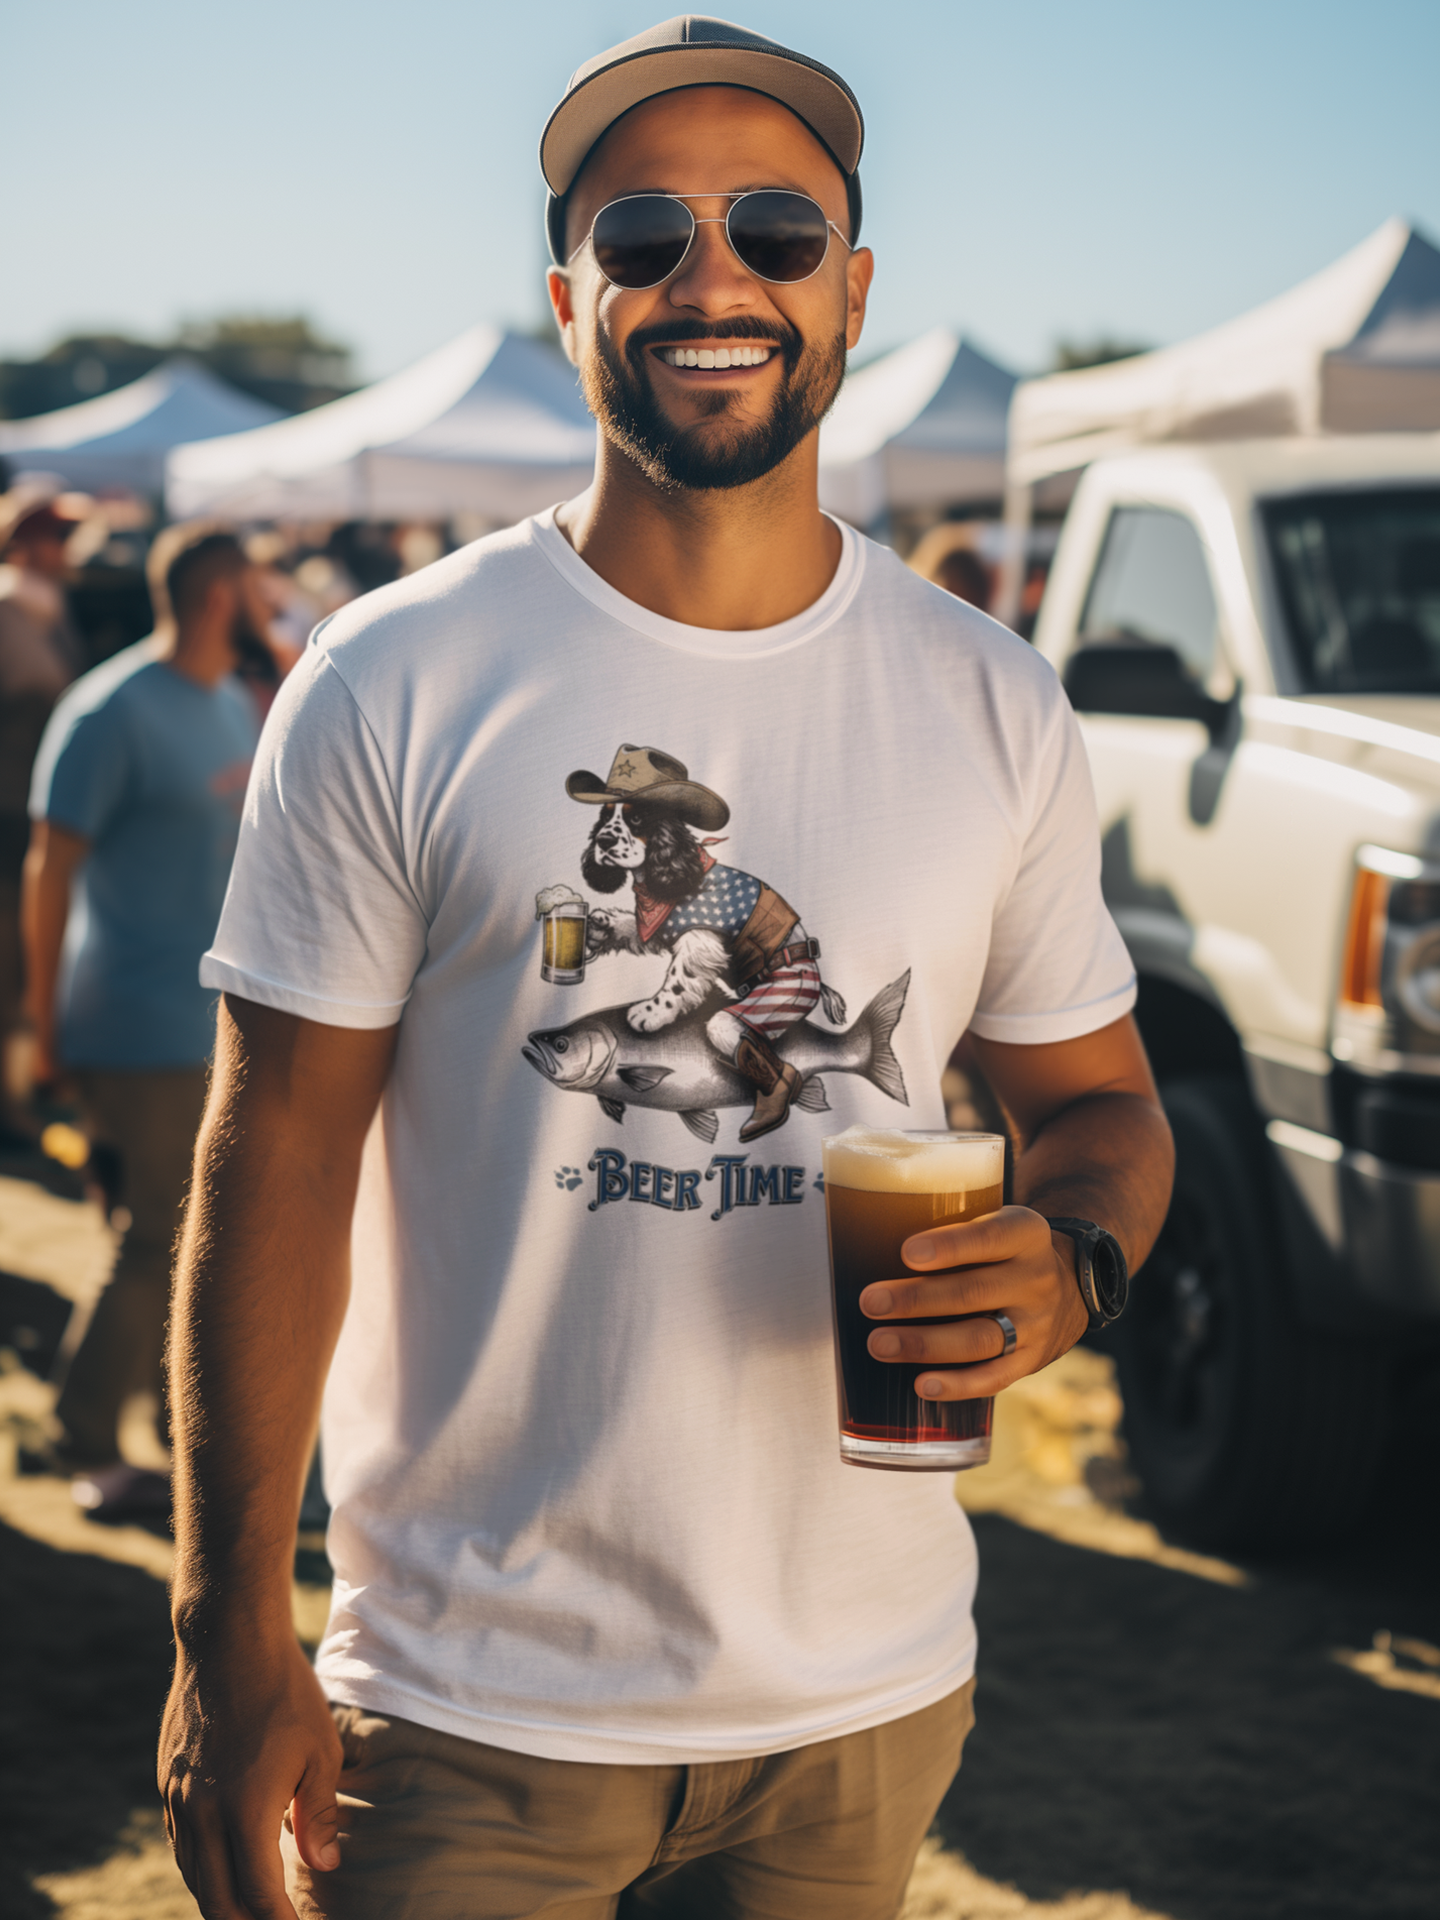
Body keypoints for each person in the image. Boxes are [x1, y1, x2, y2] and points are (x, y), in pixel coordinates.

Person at [158, 19, 1174, 1920]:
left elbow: (1101, 1104)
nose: (715, 278)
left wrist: (1077, 1259)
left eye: (777, 231)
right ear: (569, 299)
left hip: (866, 1706)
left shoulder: (992, 696)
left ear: (851, 291)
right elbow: (273, 1156)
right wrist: (228, 1632)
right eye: (644, 238)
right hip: (463, 1707)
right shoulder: (392, 678)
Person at [23, 525, 266, 1514]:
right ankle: (78, 1439)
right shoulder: (110, 710)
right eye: (255, 587)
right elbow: (50, 868)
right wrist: (44, 1029)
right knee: (158, 1238)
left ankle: (179, 1427)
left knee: (208, 1235)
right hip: (131, 1020)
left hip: (216, 1017)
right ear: (223, 595)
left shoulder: (222, 701)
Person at [0, 485, 88, 1138]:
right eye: (56, 538)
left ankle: (21, 1098)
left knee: (27, 964)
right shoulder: (10, 612)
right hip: (7, 817)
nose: (66, 552)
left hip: (29, 817)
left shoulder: (47, 612)